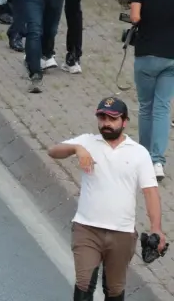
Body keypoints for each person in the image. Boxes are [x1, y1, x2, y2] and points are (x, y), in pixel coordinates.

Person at [47, 97, 164, 301]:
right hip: (87, 229)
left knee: (114, 290)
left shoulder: (139, 153)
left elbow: (150, 192)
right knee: (84, 283)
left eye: (112, 118)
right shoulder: (87, 141)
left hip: (122, 234)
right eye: (102, 117)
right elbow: (53, 151)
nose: (106, 123)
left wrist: (156, 228)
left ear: (124, 121)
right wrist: (76, 149)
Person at [131, 0, 174, 178]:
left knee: (146, 107)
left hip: (147, 52)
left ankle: (145, 157)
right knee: (162, 107)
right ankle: (158, 161)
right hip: (171, 55)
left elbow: (135, 17)